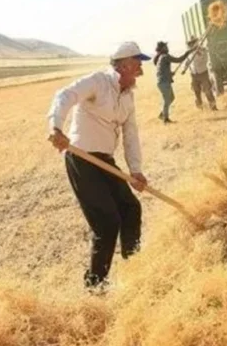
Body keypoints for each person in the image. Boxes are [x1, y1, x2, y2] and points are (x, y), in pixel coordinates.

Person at [46, 41, 150, 291]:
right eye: (137, 63)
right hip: (82, 158)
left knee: (130, 208)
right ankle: (95, 285)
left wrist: (135, 170)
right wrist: (55, 127)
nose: (140, 69)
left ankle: (134, 269)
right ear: (124, 65)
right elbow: (65, 95)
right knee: (106, 222)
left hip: (105, 161)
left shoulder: (128, 96)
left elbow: (130, 134)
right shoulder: (97, 82)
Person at [153, 41, 195, 123]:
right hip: (163, 82)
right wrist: (189, 52)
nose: (167, 47)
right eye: (166, 46)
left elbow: (162, 70)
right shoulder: (165, 56)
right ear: (162, 48)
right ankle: (165, 119)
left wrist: (170, 73)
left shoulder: (162, 57)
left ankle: (163, 114)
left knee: (171, 98)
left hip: (163, 82)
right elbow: (179, 60)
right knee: (167, 100)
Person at [181, 36, 217, 110]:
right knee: (196, 91)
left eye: (192, 43)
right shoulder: (188, 53)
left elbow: (205, 59)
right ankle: (200, 107)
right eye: (190, 43)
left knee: (207, 91)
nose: (191, 44)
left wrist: (198, 53)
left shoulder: (202, 50)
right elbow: (187, 62)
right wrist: (184, 69)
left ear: (196, 43)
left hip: (203, 72)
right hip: (194, 74)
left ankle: (213, 106)